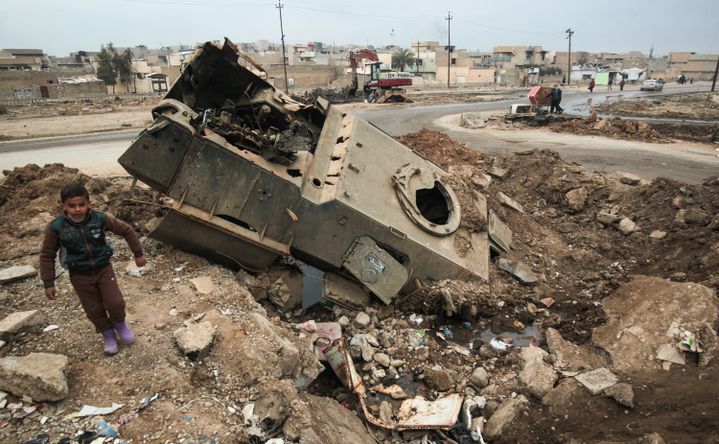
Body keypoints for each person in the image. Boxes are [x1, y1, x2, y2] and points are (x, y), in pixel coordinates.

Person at [40, 182, 146, 355]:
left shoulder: (100, 219)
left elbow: (126, 230)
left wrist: (138, 254)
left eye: (81, 204)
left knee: (116, 303)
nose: (77, 209)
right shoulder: (56, 227)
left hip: (104, 269)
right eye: (72, 206)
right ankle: (108, 335)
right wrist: (48, 282)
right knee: (93, 309)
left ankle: (120, 326)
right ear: (64, 206)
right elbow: (47, 254)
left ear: (89, 203)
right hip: (79, 275)